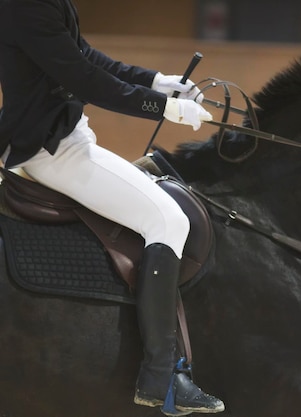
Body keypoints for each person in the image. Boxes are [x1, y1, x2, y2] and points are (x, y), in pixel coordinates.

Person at [0, 0, 224, 415]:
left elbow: (83, 54)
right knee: (167, 219)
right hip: (49, 147)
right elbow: (83, 78)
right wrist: (167, 109)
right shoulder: (26, 6)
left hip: (66, 133)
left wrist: (158, 82)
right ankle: (164, 378)